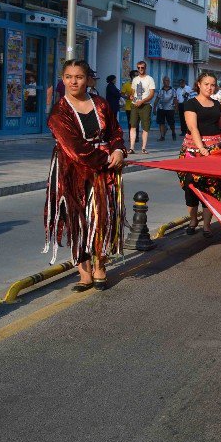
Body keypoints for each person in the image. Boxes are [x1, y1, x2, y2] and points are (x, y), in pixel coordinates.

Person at [43, 60, 125, 291]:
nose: (73, 81)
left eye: (78, 76)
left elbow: (115, 131)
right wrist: (106, 160)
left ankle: (100, 266)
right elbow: (74, 147)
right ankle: (83, 271)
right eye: (68, 77)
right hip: (73, 170)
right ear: (63, 78)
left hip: (102, 169)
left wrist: (118, 149)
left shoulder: (99, 103)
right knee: (77, 219)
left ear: (88, 79)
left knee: (100, 217)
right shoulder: (60, 110)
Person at [179, 72, 221, 237]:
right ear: (199, 84)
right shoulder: (190, 103)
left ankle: (207, 225)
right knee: (191, 188)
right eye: (206, 84)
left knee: (212, 189)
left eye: (213, 84)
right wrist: (201, 148)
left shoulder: (216, 104)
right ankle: (193, 221)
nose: (209, 87)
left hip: (216, 151)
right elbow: (193, 128)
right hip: (193, 152)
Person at [128, 61, 155, 154]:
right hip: (135, 104)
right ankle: (131, 147)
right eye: (138, 68)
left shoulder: (149, 79)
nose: (140, 69)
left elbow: (152, 94)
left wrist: (142, 101)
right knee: (133, 125)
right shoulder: (135, 79)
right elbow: (132, 91)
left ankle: (143, 148)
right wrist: (131, 95)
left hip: (145, 105)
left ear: (145, 68)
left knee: (145, 127)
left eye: (142, 68)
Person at [155, 76, 178, 141]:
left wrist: (176, 108)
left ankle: (173, 132)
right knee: (161, 123)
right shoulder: (160, 90)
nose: (167, 82)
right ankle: (162, 136)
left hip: (170, 109)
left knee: (171, 123)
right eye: (166, 80)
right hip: (161, 108)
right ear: (163, 82)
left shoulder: (173, 90)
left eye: (168, 81)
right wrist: (154, 108)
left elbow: (175, 100)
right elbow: (157, 99)